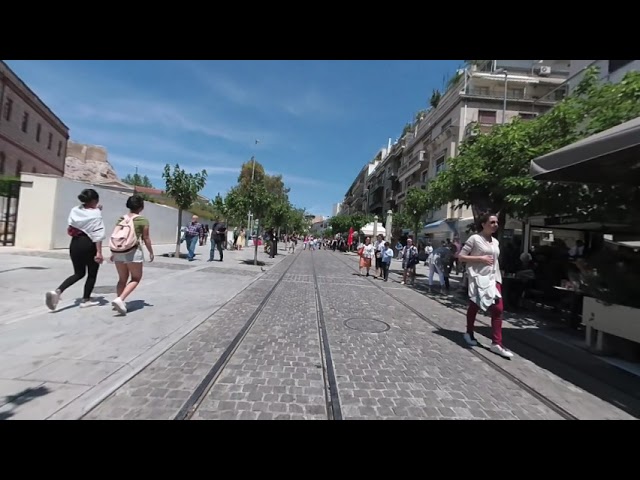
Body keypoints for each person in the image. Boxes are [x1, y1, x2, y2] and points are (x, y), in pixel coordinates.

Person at [457, 212, 513, 359]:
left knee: (498, 309)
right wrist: (480, 258)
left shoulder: (495, 242)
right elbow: (461, 257)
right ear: (483, 224)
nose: (496, 225)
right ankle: (469, 333)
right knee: (474, 305)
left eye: (496, 222)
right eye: (492, 222)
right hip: (478, 278)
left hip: (493, 278)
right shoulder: (475, 239)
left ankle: (496, 343)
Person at [46, 189, 105, 310]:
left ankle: (58, 291)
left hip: (75, 244)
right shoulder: (96, 215)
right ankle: (86, 299)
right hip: (88, 244)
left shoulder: (75, 210)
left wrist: (96, 208)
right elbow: (97, 234)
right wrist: (99, 252)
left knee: (78, 273)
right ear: (94, 201)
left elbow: (85, 215)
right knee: (92, 273)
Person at [110, 194, 154, 315]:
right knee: (136, 278)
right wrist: (150, 251)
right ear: (141, 206)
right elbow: (146, 238)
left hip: (118, 251)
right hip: (133, 251)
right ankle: (120, 299)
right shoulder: (142, 220)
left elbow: (116, 235)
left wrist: (113, 251)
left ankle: (119, 301)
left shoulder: (121, 219)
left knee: (122, 279)